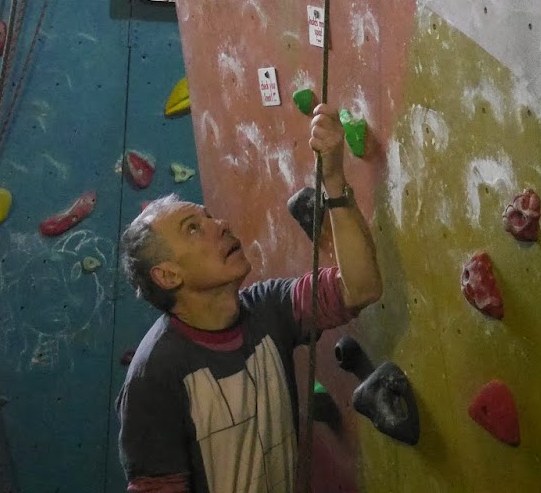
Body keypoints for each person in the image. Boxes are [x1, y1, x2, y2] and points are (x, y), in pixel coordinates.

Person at [117, 103, 381, 493]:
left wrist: (335, 181)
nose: (219, 225)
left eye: (208, 217)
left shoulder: (268, 309)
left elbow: (360, 287)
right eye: (193, 229)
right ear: (168, 275)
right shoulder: (153, 377)